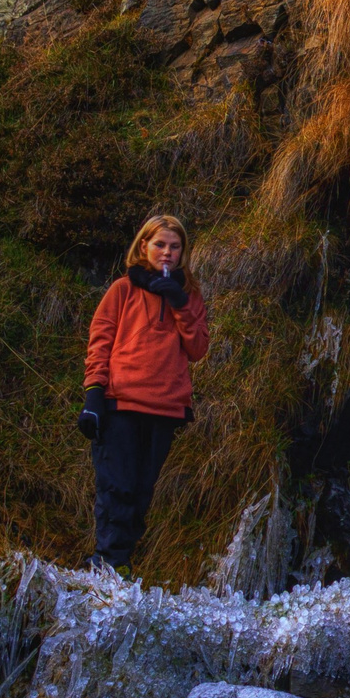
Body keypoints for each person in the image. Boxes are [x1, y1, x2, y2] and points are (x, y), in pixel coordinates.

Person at [81, 214, 211, 570]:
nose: (167, 253)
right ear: (144, 246)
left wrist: (180, 305)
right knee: (116, 488)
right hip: (120, 403)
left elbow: (199, 349)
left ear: (183, 251)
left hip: (165, 408)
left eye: (174, 246)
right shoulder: (122, 289)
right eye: (159, 245)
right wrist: (94, 397)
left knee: (141, 493)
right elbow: (100, 343)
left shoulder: (190, 295)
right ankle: (105, 568)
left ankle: (119, 568)